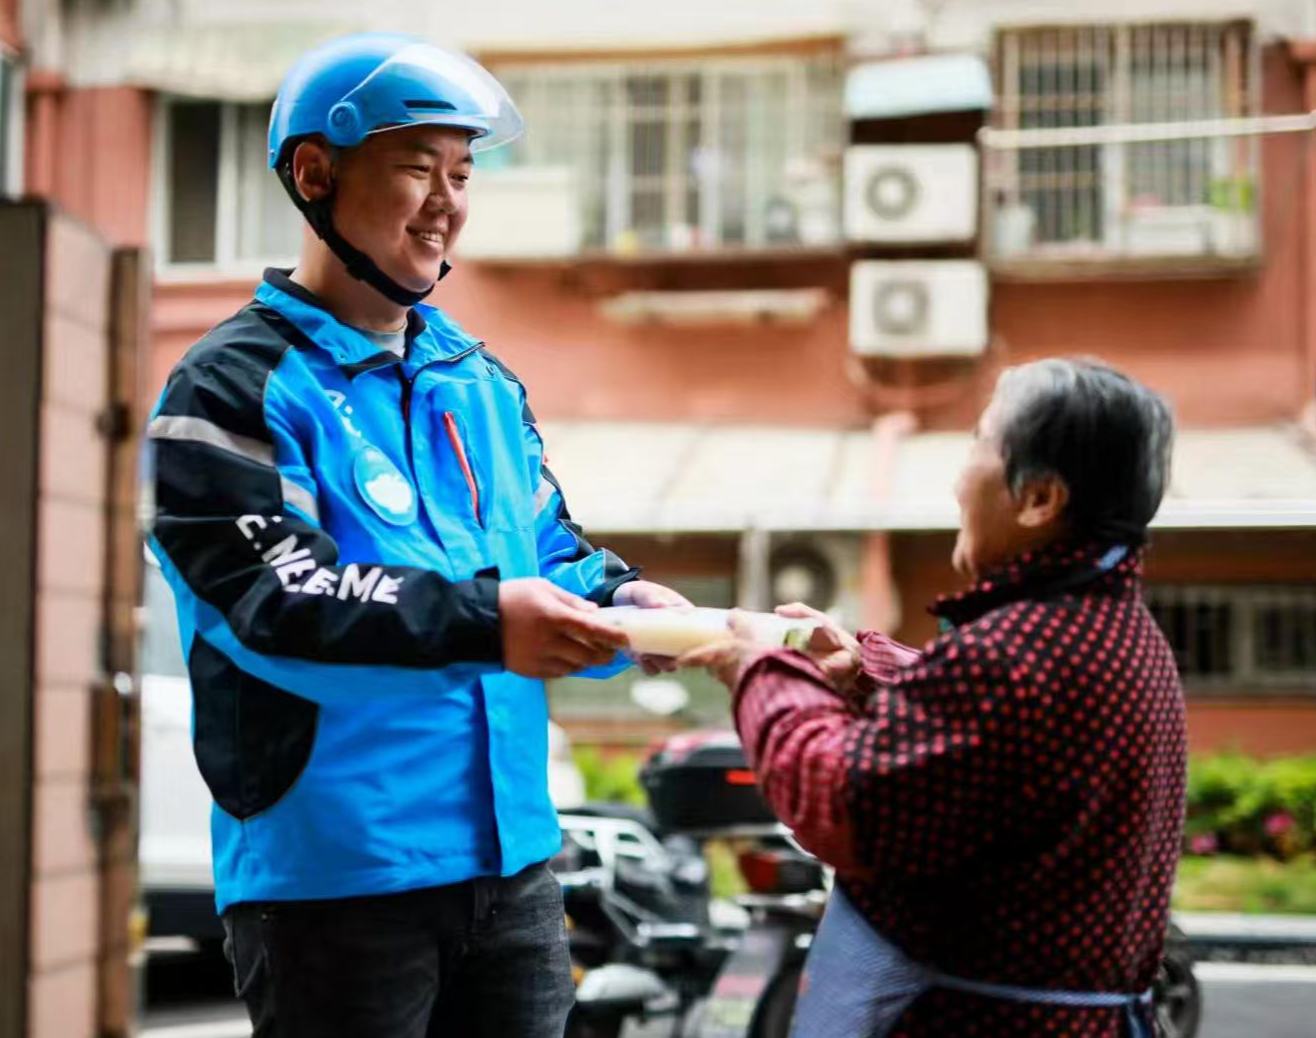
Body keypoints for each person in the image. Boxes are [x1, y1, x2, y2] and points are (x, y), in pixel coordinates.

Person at [145, 33, 687, 1038]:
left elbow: (543, 546)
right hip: (335, 876)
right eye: (414, 168)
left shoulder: (476, 381)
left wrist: (627, 602)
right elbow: (276, 600)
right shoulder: (227, 387)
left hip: (513, 864)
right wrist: (489, 622)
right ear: (315, 175)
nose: (447, 201)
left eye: (463, 172)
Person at [682, 358, 1185, 1037]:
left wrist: (762, 670)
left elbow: (840, 801)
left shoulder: (1017, 649)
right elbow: (993, 737)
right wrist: (865, 672)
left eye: (979, 445)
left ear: (1038, 500)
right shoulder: (1109, 626)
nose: (958, 482)